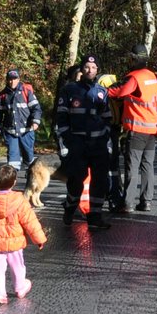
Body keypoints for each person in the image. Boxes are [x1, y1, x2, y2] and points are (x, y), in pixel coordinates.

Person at [54, 54, 114, 230]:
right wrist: (68, 140)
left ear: (97, 71)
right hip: (77, 143)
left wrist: (106, 137)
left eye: (94, 68)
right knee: (76, 180)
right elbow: (61, 117)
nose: (90, 70)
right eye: (87, 67)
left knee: (100, 180)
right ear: (82, 69)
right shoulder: (69, 90)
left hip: (98, 144)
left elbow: (107, 118)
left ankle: (95, 216)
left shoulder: (102, 92)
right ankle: (70, 207)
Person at [0, 163, 47, 303]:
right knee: (18, 266)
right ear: (14, 182)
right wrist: (39, 239)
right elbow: (30, 221)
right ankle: (20, 287)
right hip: (15, 242)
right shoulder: (20, 201)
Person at [105, 43, 157, 213]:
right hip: (152, 130)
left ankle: (128, 202)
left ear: (134, 59)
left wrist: (102, 89)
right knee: (147, 166)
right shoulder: (152, 76)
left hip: (137, 129)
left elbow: (118, 92)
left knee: (132, 167)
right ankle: (146, 201)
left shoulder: (134, 77)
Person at [0, 68, 42, 172]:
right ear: (7, 80)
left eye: (15, 79)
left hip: (26, 131)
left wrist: (35, 121)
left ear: (18, 79)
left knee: (29, 156)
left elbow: (36, 108)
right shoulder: (2, 95)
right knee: (13, 160)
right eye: (10, 79)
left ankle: (30, 175)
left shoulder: (26, 92)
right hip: (10, 132)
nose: (12, 82)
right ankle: (11, 180)